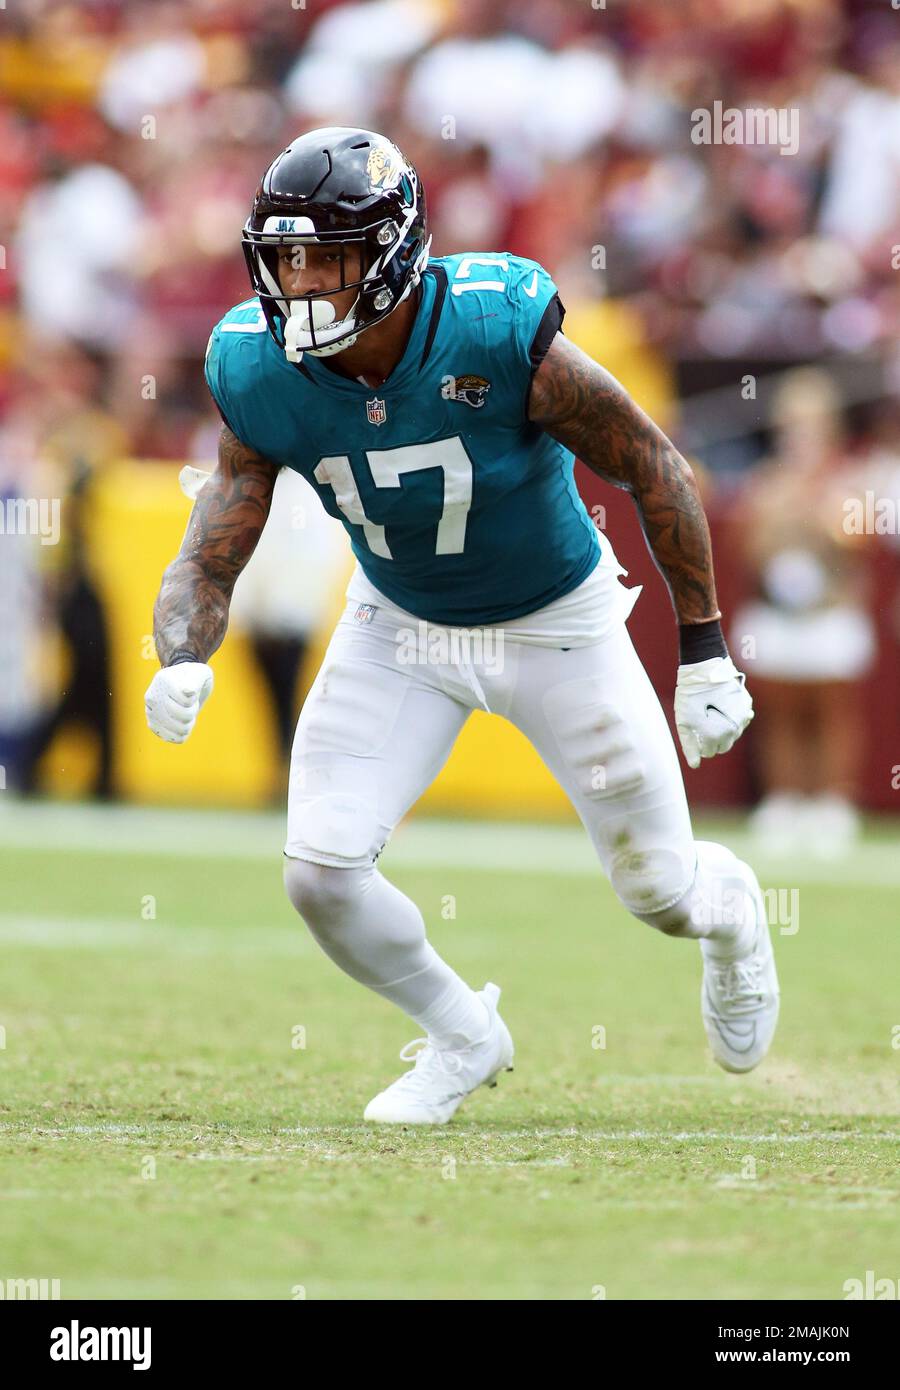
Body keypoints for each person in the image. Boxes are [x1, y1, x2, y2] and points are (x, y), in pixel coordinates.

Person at [145, 127, 778, 1125]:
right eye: (285, 256)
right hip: (400, 627)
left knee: (660, 892)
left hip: (557, 623)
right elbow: (212, 543)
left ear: (393, 254)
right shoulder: (254, 367)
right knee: (319, 870)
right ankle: (461, 1032)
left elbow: (653, 462)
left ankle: (729, 909)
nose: (300, 281)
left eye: (326, 256)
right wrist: (181, 651)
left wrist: (702, 649)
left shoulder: (492, 325)